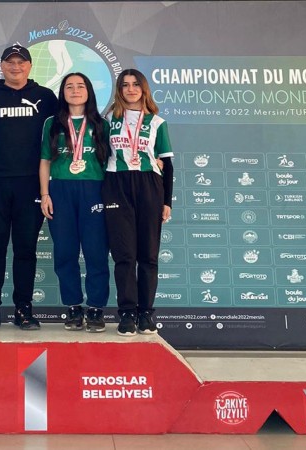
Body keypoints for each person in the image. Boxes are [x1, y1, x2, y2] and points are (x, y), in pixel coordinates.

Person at [0, 44, 58, 330]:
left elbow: (61, 136)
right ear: (1, 65)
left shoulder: (46, 97)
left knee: (25, 249)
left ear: (30, 66)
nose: (16, 66)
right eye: (10, 62)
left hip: (31, 185)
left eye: (21, 62)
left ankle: (24, 309)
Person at [103, 68, 174, 336]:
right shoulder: (108, 119)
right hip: (116, 184)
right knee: (124, 255)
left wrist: (166, 201)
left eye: (135, 84)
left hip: (149, 186)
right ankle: (127, 314)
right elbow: (99, 154)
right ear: (119, 90)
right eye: (125, 85)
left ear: (144, 89)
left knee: (148, 254)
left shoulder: (157, 122)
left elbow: (167, 164)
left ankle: (146, 313)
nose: (130, 89)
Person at [39, 73, 110, 332]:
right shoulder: (52, 123)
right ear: (63, 93)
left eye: (80, 86)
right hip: (60, 190)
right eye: (69, 86)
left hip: (94, 190)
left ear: (89, 91)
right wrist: (45, 194)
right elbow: (45, 161)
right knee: (65, 251)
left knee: (96, 251)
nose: (75, 90)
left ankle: (96, 308)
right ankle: (73, 306)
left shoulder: (102, 124)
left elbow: (114, 160)